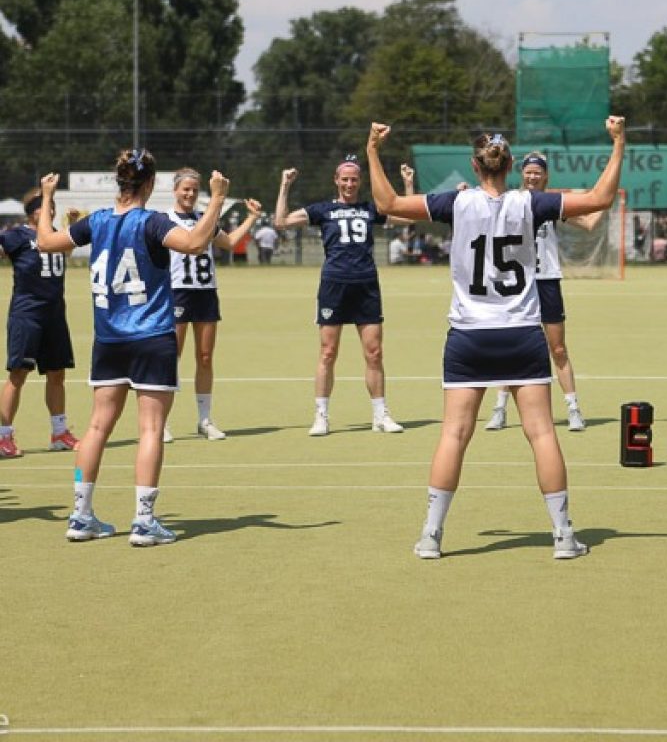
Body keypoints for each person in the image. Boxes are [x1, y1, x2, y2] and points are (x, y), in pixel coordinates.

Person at [366, 117, 626, 560]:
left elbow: (387, 200)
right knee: (542, 433)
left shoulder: (456, 202)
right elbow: (601, 199)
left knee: (454, 434)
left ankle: (431, 535)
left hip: (468, 336)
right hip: (521, 333)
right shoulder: (532, 203)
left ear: (475, 165)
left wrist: (372, 149)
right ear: (509, 166)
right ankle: (563, 536)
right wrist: (618, 142)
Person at [35, 150, 230, 546]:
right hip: (152, 337)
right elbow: (194, 243)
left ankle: (80, 514)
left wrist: (46, 199)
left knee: (95, 428)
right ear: (150, 184)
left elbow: (45, 241)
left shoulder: (98, 222)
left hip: (109, 340)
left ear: (118, 182)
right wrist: (218, 200)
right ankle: (143, 521)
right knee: (151, 429)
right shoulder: (153, 223)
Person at [275, 157, 404, 437]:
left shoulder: (371, 209)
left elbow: (406, 216)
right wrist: (285, 185)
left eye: (354, 179)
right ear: (336, 180)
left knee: (374, 353)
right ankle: (321, 416)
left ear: (360, 182)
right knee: (328, 352)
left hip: (366, 286)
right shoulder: (323, 210)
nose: (349, 184)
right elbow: (281, 222)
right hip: (334, 285)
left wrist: (407, 184)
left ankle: (380, 414)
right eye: (344, 179)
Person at [485, 151, 600, 434]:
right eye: (528, 171)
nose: (532, 176)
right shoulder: (510, 201)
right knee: (511, 347)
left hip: (547, 280)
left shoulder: (552, 206)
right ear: (521, 174)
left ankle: (573, 408)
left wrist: (601, 198)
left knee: (558, 348)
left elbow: (588, 223)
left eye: (538, 172)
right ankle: (500, 408)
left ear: (545, 176)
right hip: (516, 283)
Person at [165, 168, 263, 442]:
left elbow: (230, 242)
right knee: (172, 357)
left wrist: (252, 218)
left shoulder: (204, 219)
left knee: (205, 357)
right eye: (185, 189)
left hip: (206, 292)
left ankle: (204, 419)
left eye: (195, 190)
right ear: (175, 190)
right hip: (177, 293)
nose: (190, 194)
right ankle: (162, 420)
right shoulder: (165, 219)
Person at [0, 188, 80, 458]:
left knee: (57, 373)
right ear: (32, 210)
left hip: (54, 314)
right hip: (27, 314)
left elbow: (65, 254)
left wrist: (70, 226)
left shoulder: (54, 234)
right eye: (45, 206)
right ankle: (3, 436)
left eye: (52, 205)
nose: (50, 210)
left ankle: (59, 432)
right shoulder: (17, 235)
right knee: (18, 374)